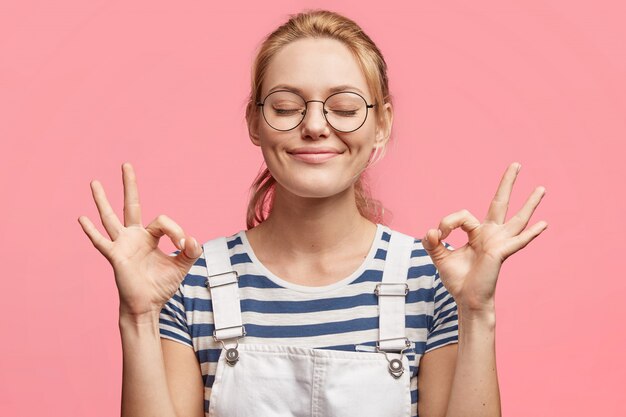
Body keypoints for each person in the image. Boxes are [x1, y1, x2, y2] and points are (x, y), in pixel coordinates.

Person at [78, 9, 547, 417]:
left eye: (344, 108)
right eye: (286, 107)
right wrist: (138, 315)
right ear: (254, 123)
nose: (316, 126)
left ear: (382, 125)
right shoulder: (188, 281)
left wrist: (476, 311)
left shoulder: (436, 280)